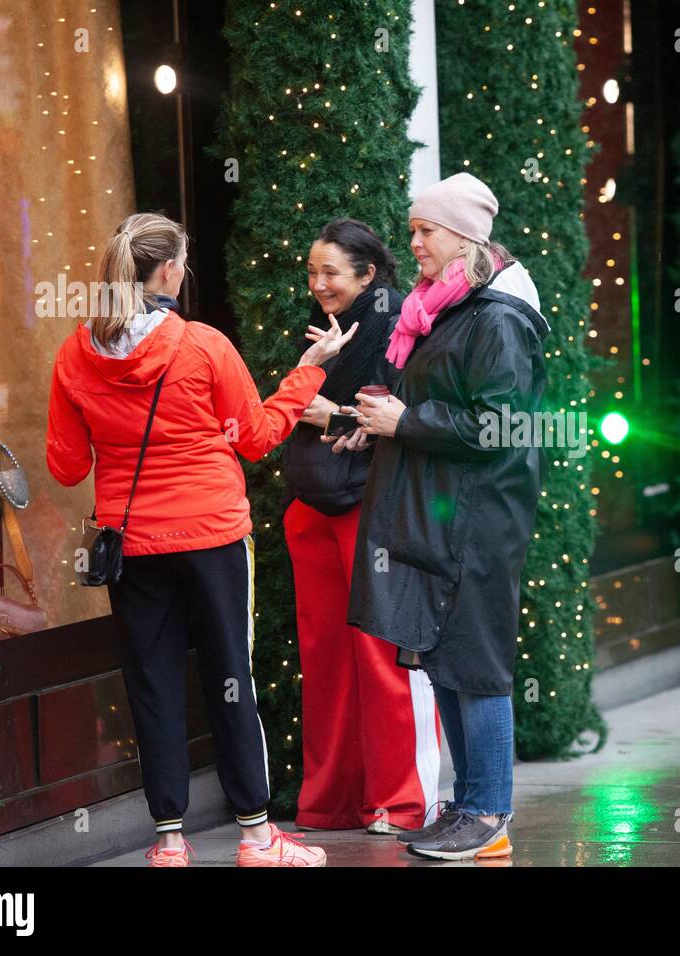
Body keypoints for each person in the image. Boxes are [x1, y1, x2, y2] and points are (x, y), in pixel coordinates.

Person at [46, 212, 356, 866]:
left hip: (132, 543)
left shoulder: (74, 353)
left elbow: (68, 467)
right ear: (165, 271)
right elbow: (256, 438)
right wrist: (308, 370)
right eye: (182, 260)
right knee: (229, 677)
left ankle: (168, 842)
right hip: (212, 535)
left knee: (151, 683)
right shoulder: (203, 345)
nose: (184, 270)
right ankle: (256, 836)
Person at [330, 172, 550, 859]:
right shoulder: (445, 309)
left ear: (462, 239)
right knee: (446, 659)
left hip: (479, 523)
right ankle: (470, 808)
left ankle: (487, 813)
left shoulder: (497, 318)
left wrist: (409, 419)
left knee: (475, 664)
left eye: (425, 231)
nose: (414, 242)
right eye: (414, 229)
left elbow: (503, 425)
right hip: (443, 515)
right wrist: (378, 420)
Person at [280, 218, 442, 834]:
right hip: (312, 504)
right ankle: (331, 801)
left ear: (368, 274)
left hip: (373, 508)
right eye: (313, 271)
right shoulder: (326, 328)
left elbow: (410, 418)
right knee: (324, 657)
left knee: (382, 653)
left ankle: (402, 804)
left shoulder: (404, 323)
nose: (318, 283)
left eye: (331, 273)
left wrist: (331, 414)